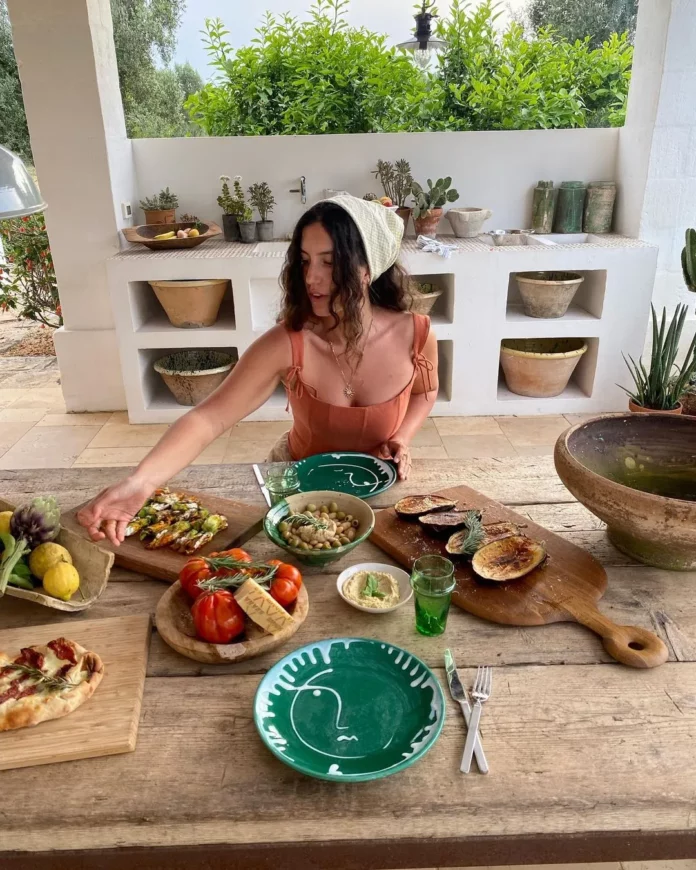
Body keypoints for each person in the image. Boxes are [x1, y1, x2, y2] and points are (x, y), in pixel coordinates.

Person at [78, 195, 438, 548]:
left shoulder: (415, 334)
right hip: (298, 498)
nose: (312, 277)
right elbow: (209, 418)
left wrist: (403, 437)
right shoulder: (288, 342)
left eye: (329, 262)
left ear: (367, 267)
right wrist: (141, 481)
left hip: (382, 491)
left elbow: (424, 392)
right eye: (304, 261)